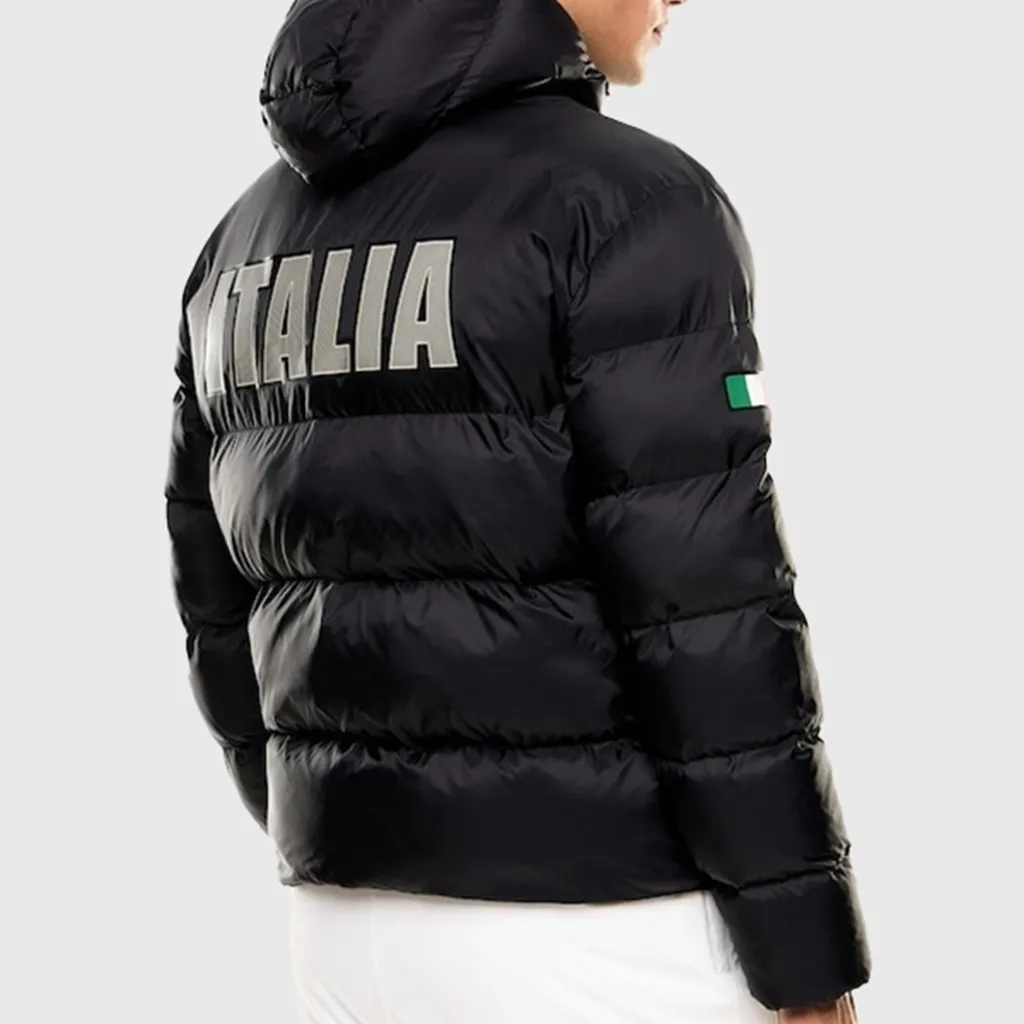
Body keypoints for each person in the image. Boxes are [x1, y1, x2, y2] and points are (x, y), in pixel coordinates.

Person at [164, 0, 871, 1021]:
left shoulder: (238, 245)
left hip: (340, 924)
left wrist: (327, 819)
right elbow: (707, 607)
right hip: (599, 926)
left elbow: (212, 601)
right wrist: (806, 957)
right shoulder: (629, 204)